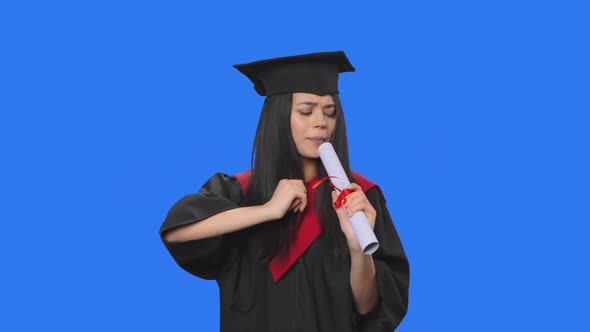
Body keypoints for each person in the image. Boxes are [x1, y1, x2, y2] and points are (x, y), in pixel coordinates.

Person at [159, 51, 409, 331]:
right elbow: (177, 231)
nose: (321, 123)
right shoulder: (242, 191)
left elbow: (368, 307)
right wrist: (267, 211)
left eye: (330, 112)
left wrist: (356, 247)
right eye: (305, 111)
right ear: (279, 118)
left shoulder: (358, 197)